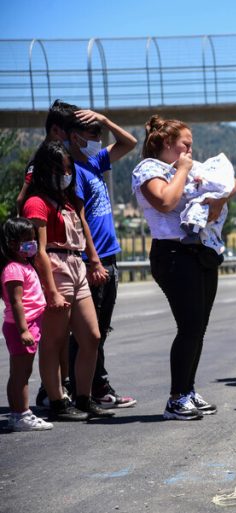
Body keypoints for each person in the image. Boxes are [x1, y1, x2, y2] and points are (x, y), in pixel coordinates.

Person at [132, 115, 236, 420]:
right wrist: (182, 170)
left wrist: (218, 201)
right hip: (173, 253)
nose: (190, 150)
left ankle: (188, 390)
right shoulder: (148, 169)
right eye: (185, 144)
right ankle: (176, 397)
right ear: (167, 143)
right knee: (189, 327)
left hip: (201, 252)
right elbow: (165, 201)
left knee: (199, 327)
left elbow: (230, 182)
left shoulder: (188, 167)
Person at [22, 141, 113, 421]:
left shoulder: (69, 200)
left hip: (76, 265)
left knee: (92, 336)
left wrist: (93, 261)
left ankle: (84, 398)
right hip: (55, 267)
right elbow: (39, 250)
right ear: (45, 170)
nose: (65, 175)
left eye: (67, 170)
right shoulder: (36, 203)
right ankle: (57, 401)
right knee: (54, 340)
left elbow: (83, 231)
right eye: (59, 170)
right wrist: (51, 291)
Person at [65, 106, 139, 410]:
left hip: (109, 257)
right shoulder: (74, 171)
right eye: (92, 133)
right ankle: (88, 388)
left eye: (99, 133)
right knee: (88, 333)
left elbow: (129, 143)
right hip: (92, 261)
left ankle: (94, 386)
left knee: (100, 330)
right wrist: (93, 260)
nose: (98, 138)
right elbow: (80, 217)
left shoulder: (94, 161)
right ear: (74, 137)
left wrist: (105, 120)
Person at [0, 218, 53, 431]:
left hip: (29, 324)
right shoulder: (13, 269)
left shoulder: (23, 264)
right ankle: (22, 414)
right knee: (21, 374)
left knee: (20, 372)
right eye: (28, 240)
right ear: (12, 243)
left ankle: (16, 414)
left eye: (33, 239)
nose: (33, 243)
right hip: (22, 326)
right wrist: (23, 330)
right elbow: (16, 302)